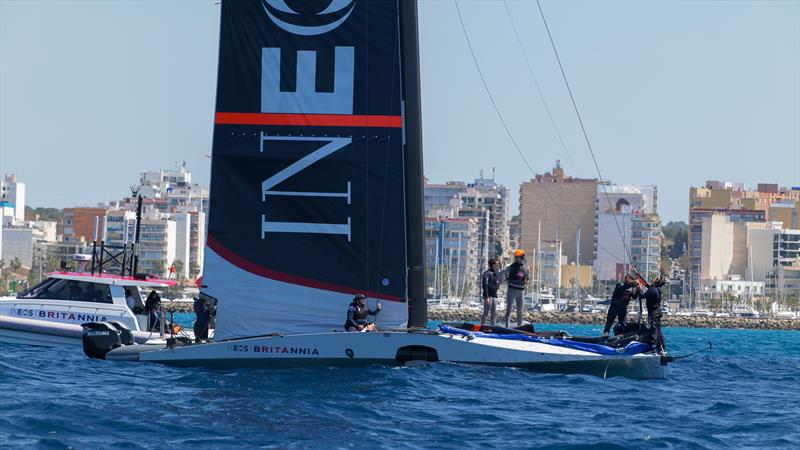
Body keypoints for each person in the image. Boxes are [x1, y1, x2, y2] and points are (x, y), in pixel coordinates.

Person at [503, 249, 530, 328]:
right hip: (511, 290)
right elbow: (506, 276)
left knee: (520, 311)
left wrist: (526, 283)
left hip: (520, 292)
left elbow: (528, 278)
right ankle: (506, 327)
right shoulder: (511, 267)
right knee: (509, 309)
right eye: (516, 257)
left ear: (522, 258)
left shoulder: (526, 268)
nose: (517, 259)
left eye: (518, 257)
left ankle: (519, 326)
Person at [643, 276, 667, 353]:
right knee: (658, 330)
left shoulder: (653, 290)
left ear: (656, 282)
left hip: (653, 312)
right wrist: (637, 275)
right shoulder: (657, 289)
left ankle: (653, 348)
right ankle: (662, 348)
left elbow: (643, 296)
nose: (652, 280)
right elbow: (647, 285)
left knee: (654, 329)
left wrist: (639, 289)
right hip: (657, 311)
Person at [480, 258, 501, 327]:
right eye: (497, 264)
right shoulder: (487, 273)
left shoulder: (496, 274)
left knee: (494, 313)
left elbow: (497, 284)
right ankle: (482, 326)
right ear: (493, 265)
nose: (498, 265)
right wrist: (487, 297)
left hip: (494, 295)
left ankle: (493, 327)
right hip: (488, 296)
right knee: (486, 312)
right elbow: (485, 285)